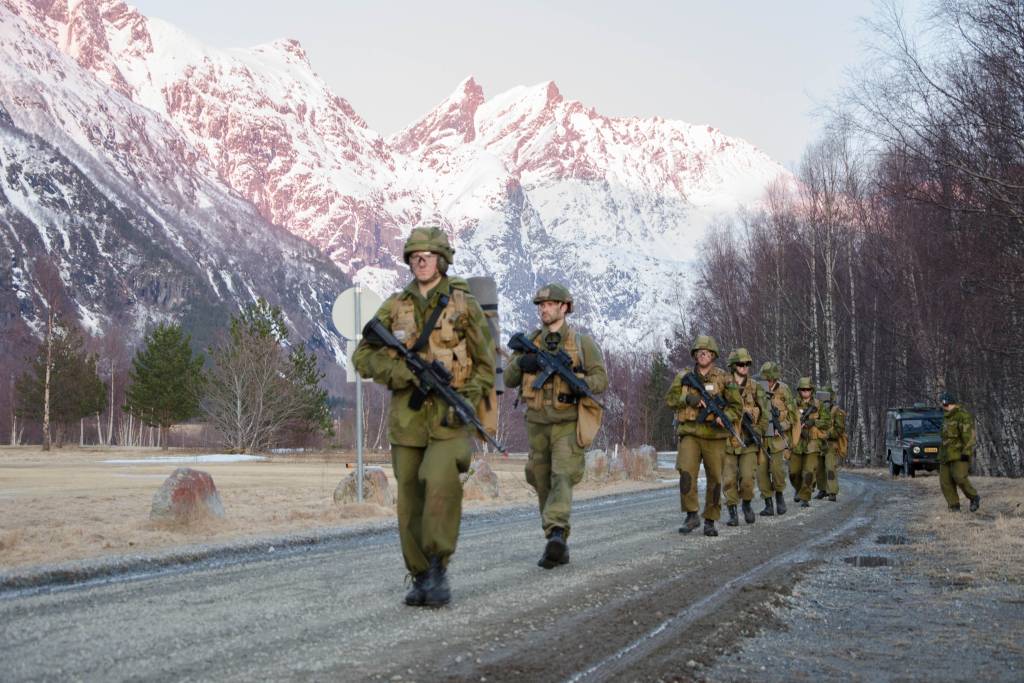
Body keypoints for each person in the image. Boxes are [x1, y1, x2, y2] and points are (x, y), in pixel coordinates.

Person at [353, 226, 495, 607]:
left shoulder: (463, 304)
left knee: (440, 484)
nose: (420, 260)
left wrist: (466, 397)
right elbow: (363, 356)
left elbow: (486, 362)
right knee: (409, 501)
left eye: (427, 255)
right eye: (414, 255)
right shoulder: (395, 306)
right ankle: (418, 575)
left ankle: (437, 566)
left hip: (450, 418)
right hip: (408, 420)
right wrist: (402, 373)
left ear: (442, 260)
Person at [505, 284, 607, 569]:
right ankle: (554, 538)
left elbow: (601, 379)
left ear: (564, 307)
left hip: (566, 423)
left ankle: (557, 534)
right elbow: (510, 378)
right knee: (540, 480)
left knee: (562, 474)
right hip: (536, 424)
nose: (544, 309)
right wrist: (524, 363)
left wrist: (581, 384)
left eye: (550, 304)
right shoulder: (530, 340)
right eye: (541, 305)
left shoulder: (581, 343)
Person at [665, 336, 743, 537]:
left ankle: (710, 519)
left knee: (715, 479)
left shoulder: (725, 379)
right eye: (699, 352)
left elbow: (737, 407)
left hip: (715, 436)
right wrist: (688, 398)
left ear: (713, 355)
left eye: (707, 352)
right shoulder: (684, 376)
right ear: (694, 355)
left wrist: (724, 417)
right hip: (690, 432)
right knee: (686, 474)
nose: (703, 354)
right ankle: (692, 515)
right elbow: (670, 399)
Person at [723, 348, 768, 526]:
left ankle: (747, 504)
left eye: (747, 364)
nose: (744, 367)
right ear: (733, 366)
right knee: (728, 479)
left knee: (748, 479)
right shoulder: (723, 385)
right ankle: (732, 511)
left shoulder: (755, 387)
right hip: (728, 439)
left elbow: (765, 414)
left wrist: (758, 431)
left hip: (749, 442)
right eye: (741, 364)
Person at [756, 362, 794, 516]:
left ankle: (779, 497)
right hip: (761, 437)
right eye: (766, 379)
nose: (769, 382)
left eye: (771, 379)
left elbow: (792, 416)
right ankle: (768, 504)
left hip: (778, 439)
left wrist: (783, 427)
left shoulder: (784, 390)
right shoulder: (756, 388)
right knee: (761, 473)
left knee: (777, 470)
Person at [791, 377, 831, 508]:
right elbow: (786, 419)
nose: (805, 392)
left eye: (808, 389)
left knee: (808, 472)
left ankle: (805, 497)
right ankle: (798, 489)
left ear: (811, 390)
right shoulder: (793, 404)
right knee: (793, 472)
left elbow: (827, 422)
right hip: (797, 443)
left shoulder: (818, 405)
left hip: (812, 443)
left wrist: (814, 422)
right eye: (803, 390)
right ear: (799, 391)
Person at [939, 391, 980, 512]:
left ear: (949, 403)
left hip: (959, 454)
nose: (942, 406)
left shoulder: (963, 416)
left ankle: (974, 497)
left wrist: (966, 453)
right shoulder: (946, 417)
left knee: (959, 477)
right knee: (945, 482)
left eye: (944, 404)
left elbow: (970, 437)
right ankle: (954, 506)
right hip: (945, 454)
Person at [815, 385, 844, 502]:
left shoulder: (836, 412)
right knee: (819, 468)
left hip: (830, 444)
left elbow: (839, 429)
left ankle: (832, 492)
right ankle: (822, 490)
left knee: (830, 467)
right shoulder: (817, 411)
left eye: (826, 399)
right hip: (819, 443)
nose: (823, 401)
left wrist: (828, 434)